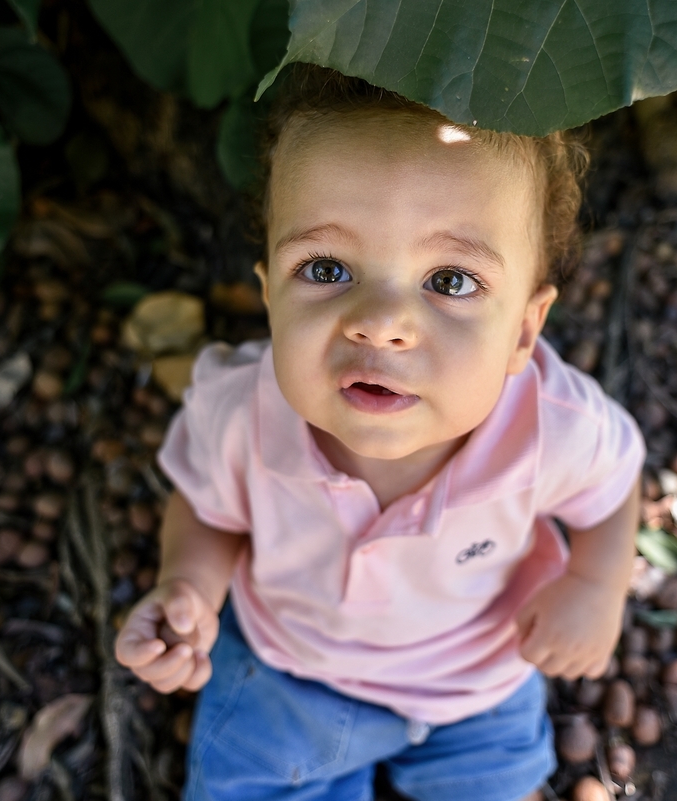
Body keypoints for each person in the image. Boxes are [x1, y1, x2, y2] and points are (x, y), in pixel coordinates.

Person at [114, 66, 646, 801]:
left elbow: (613, 491)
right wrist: (188, 589)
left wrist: (594, 584)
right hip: (290, 670)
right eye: (326, 267)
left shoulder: (551, 428)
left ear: (525, 329)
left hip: (475, 679)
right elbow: (209, 510)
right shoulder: (241, 412)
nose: (381, 322)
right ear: (270, 297)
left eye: (451, 280)